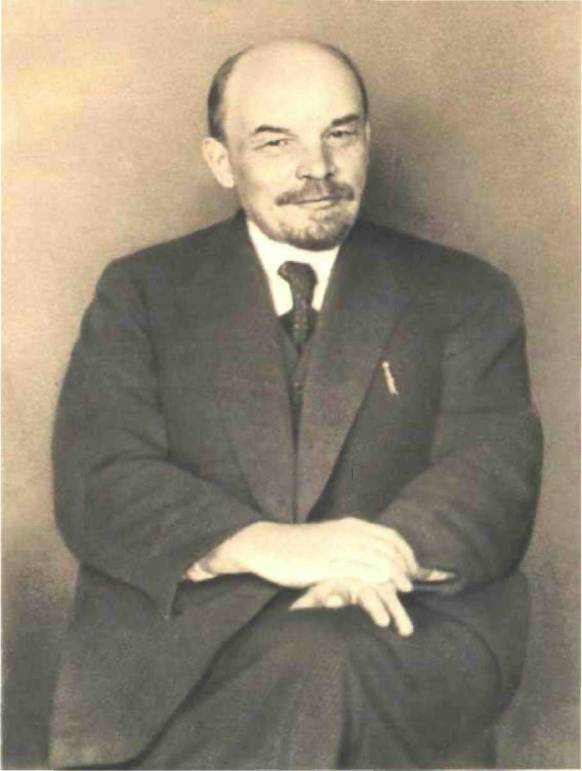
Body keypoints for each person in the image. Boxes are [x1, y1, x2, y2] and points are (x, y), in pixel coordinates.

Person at [49, 38, 543, 770]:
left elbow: (491, 471)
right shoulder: (143, 293)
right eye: (276, 142)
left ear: (367, 140)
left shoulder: (464, 293)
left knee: (325, 659)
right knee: (304, 669)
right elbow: (100, 478)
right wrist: (268, 545)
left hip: (397, 621)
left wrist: (379, 559)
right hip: (184, 650)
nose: (318, 168)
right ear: (222, 161)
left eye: (340, 134)